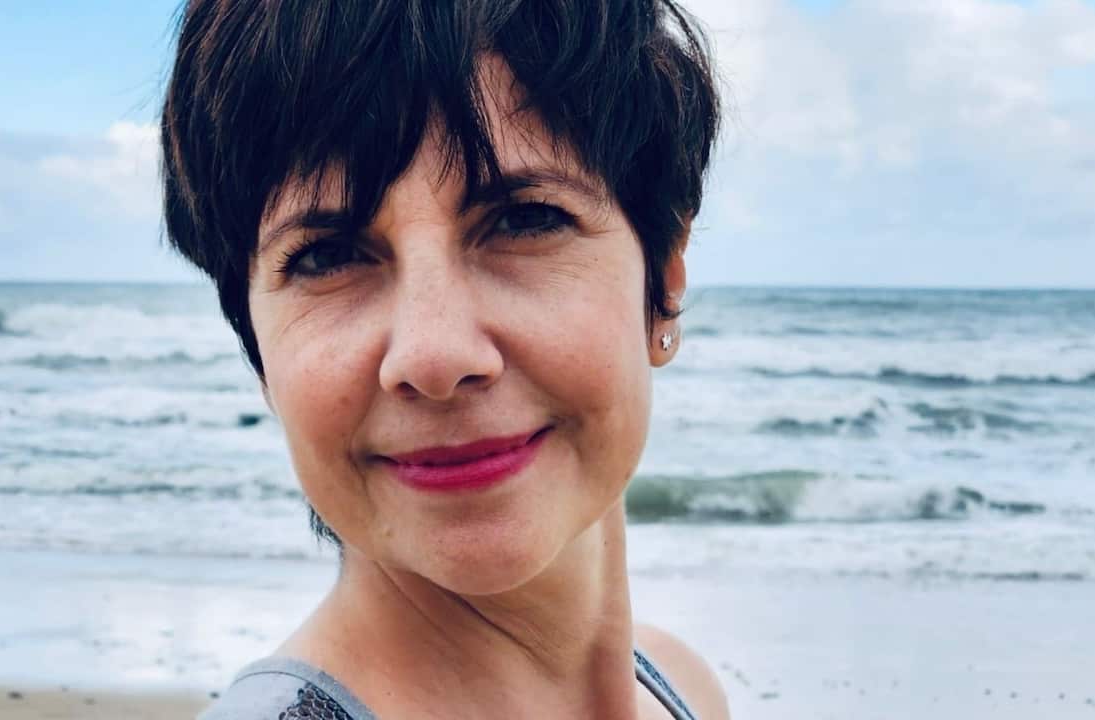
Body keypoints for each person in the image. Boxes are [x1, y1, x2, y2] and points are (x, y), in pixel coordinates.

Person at [161, 0, 725, 717]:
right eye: (327, 257)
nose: (434, 354)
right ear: (258, 347)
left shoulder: (678, 687)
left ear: (664, 282)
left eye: (525, 219)